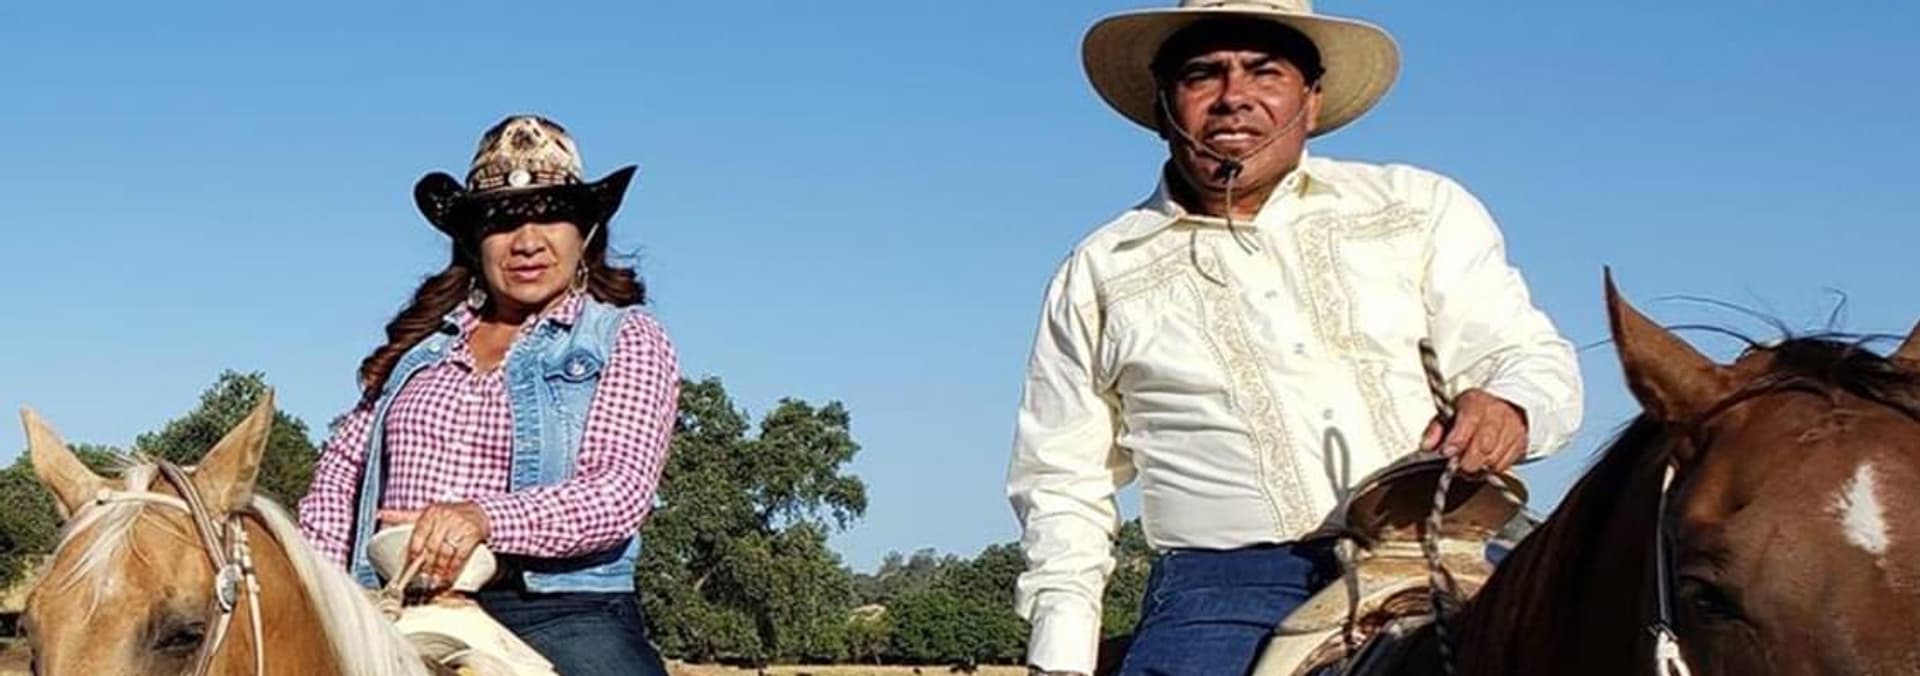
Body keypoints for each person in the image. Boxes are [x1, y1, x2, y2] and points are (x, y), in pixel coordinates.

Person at [1005, 2, 1584, 674]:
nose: (1234, 97)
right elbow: (1061, 478)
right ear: (1165, 107)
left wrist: (1511, 406)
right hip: (1227, 586)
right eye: (1202, 75)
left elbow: (1525, 355)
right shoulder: (1101, 271)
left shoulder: (1416, 208)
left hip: (1450, 538)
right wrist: (1062, 655)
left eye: (1265, 72)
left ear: (1311, 101)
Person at [298, 114, 679, 676]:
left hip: (557, 609)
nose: (527, 242)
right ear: (475, 242)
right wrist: (324, 595)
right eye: (501, 222)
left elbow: (618, 488)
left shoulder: (624, 338)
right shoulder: (418, 351)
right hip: (391, 603)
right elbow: (339, 481)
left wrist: (482, 518)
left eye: (550, 215)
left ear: (585, 232)